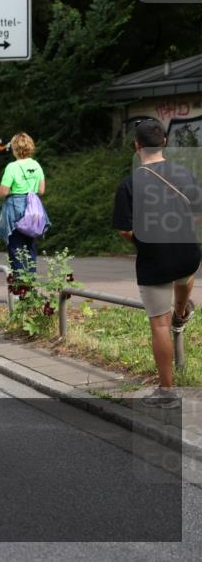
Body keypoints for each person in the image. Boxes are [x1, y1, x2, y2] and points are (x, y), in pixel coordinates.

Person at [113, 118, 201, 408]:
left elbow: (125, 230)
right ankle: (181, 311)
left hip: (155, 259)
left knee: (160, 325)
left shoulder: (129, 184)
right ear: (164, 142)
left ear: (137, 146)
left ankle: (167, 393)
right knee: (186, 273)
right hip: (188, 251)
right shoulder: (185, 174)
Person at [0, 133, 47, 276]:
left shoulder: (12, 167)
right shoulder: (36, 165)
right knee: (30, 249)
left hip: (16, 210)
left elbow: (3, 191)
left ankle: (19, 288)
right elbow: (41, 190)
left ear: (14, 148)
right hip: (34, 211)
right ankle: (30, 286)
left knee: (16, 249)